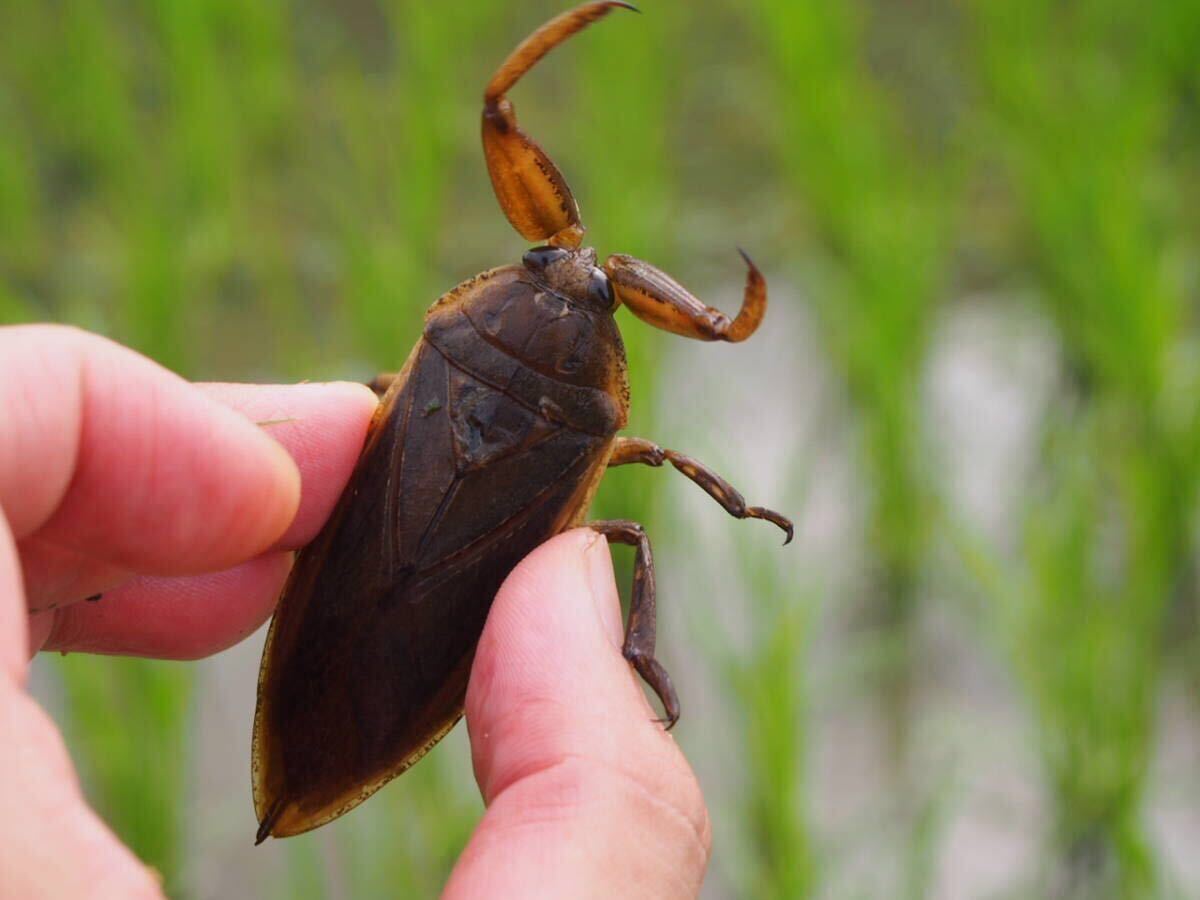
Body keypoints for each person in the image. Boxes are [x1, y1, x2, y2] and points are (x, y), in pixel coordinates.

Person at [0, 325, 710, 898]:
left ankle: (296, 776)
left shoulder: (456, 344)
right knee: (628, 538)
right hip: (409, 662)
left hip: (347, 603)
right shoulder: (584, 425)